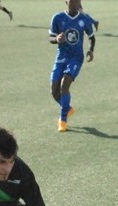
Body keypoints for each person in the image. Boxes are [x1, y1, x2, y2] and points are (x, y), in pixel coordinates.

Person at [49, 0, 96, 132]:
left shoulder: (84, 19)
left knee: (65, 85)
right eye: (72, 1)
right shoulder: (58, 18)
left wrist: (91, 50)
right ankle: (68, 108)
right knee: (54, 91)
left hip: (76, 58)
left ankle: (63, 121)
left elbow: (91, 37)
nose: (75, 3)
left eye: (77, 1)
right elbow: (51, 37)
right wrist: (57, 39)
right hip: (61, 58)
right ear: (66, 2)